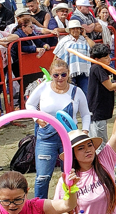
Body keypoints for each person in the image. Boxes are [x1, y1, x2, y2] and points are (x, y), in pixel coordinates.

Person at [26, 59, 91, 198]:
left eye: (63, 74)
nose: (60, 78)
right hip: (46, 137)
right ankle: (39, 206)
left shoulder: (76, 91)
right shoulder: (43, 87)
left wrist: (85, 131)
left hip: (69, 138)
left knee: (70, 174)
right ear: (51, 74)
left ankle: (69, 205)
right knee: (42, 177)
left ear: (68, 74)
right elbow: (29, 104)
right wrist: (37, 118)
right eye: (56, 75)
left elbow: (85, 114)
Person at [86, 44, 116, 147]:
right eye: (106, 58)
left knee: (100, 139)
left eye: (109, 56)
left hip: (102, 108)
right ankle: (101, 162)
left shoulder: (105, 67)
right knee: (100, 142)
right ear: (97, 59)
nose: (109, 59)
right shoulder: (96, 68)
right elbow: (110, 86)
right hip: (97, 110)